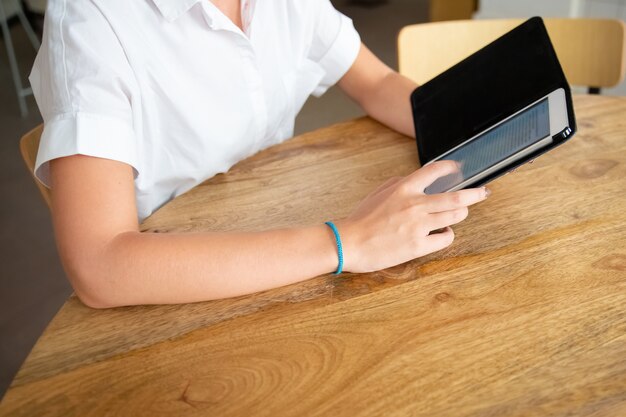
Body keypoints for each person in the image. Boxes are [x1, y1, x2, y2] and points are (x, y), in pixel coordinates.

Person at [29, 0, 488, 308]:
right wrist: (348, 241)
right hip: (181, 281)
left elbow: (376, 82)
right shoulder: (92, 20)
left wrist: (477, 131)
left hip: (286, 233)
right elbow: (100, 265)